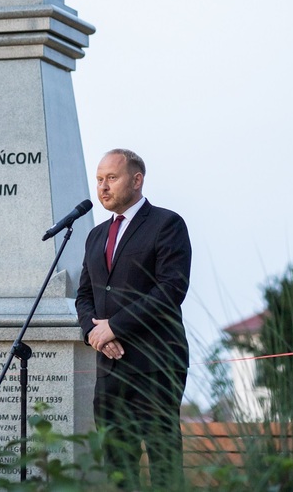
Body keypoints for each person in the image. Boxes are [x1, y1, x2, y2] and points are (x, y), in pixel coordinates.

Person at [75, 149, 191, 489]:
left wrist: (115, 327)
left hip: (155, 364)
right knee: (117, 465)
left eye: (112, 178)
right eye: (99, 179)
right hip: (109, 368)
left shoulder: (166, 224)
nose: (103, 187)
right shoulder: (96, 235)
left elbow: (171, 290)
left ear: (137, 180)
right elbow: (85, 295)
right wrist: (94, 333)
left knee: (163, 460)